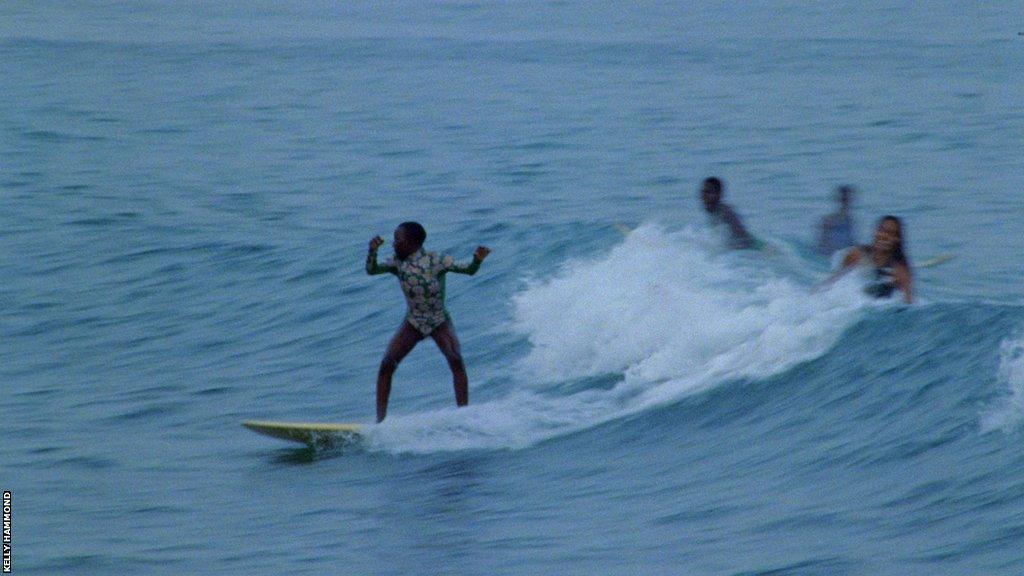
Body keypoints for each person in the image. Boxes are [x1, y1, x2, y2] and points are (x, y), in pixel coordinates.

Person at [366, 222, 491, 422]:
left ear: (410, 243)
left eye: (397, 240)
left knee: (456, 360)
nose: (394, 244)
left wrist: (477, 260)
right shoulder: (397, 263)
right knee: (387, 364)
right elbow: (371, 270)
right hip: (413, 322)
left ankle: (464, 417)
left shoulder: (437, 260)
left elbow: (468, 270)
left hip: (439, 321)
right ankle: (380, 422)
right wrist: (372, 251)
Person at [825, 215, 913, 303]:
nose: (884, 236)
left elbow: (908, 303)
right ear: (875, 232)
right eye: (881, 230)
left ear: (897, 239)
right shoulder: (857, 254)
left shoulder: (899, 271)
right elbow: (836, 281)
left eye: (890, 234)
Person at [699, 177, 760, 250]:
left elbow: (743, 236)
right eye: (703, 192)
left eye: (709, 192)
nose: (704, 196)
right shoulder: (714, 212)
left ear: (719, 194)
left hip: (754, 247)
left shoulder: (726, 212)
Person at [817, 185, 857, 256]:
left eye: (848, 200)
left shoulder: (850, 221)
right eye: (845, 199)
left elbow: (851, 243)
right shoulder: (829, 220)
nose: (847, 203)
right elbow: (822, 244)